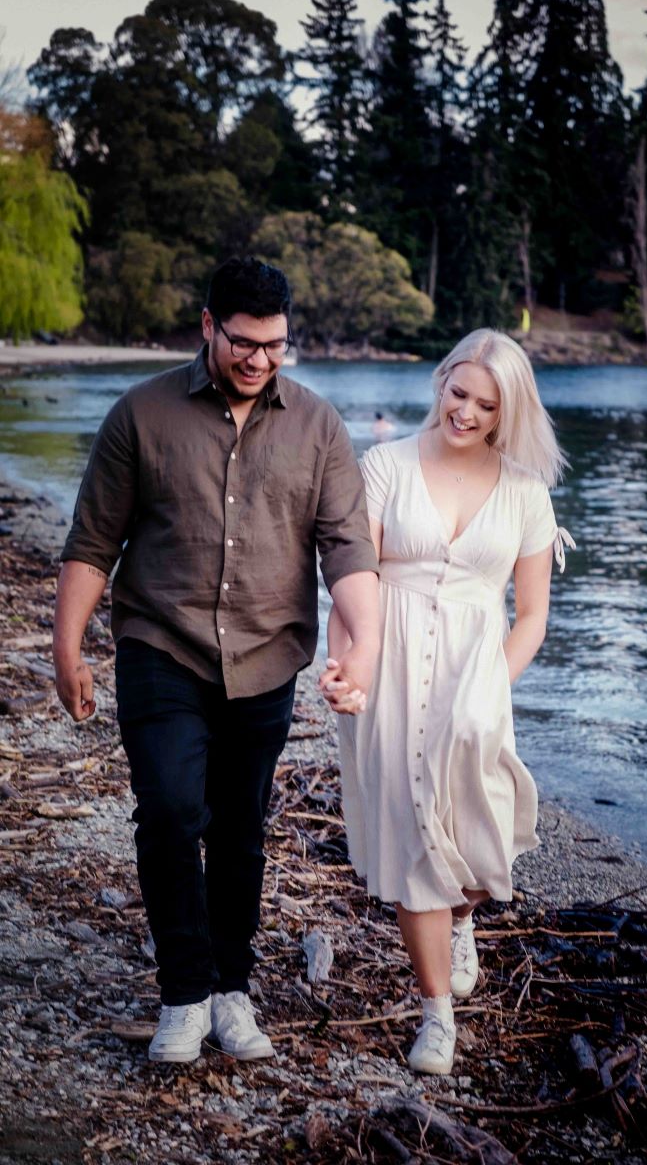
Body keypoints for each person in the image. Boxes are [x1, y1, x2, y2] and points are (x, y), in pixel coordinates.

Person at [52, 257, 379, 1064]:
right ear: (208, 327)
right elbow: (94, 541)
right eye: (243, 342)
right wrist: (67, 646)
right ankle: (183, 994)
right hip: (160, 645)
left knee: (239, 832)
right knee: (168, 810)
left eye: (276, 346)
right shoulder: (141, 414)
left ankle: (232, 990)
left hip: (268, 657)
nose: (259, 360)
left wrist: (362, 647)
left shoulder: (319, 427)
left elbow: (348, 549)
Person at [321, 329, 573, 1075]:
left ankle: (463, 916)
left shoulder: (526, 490)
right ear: (441, 382)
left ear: (507, 411)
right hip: (388, 659)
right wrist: (346, 663)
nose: (464, 411)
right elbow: (351, 579)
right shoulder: (385, 467)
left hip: (477, 667)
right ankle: (437, 1013)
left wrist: (491, 685)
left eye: (484, 404)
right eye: (457, 392)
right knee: (411, 834)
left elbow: (531, 615)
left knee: (478, 817)